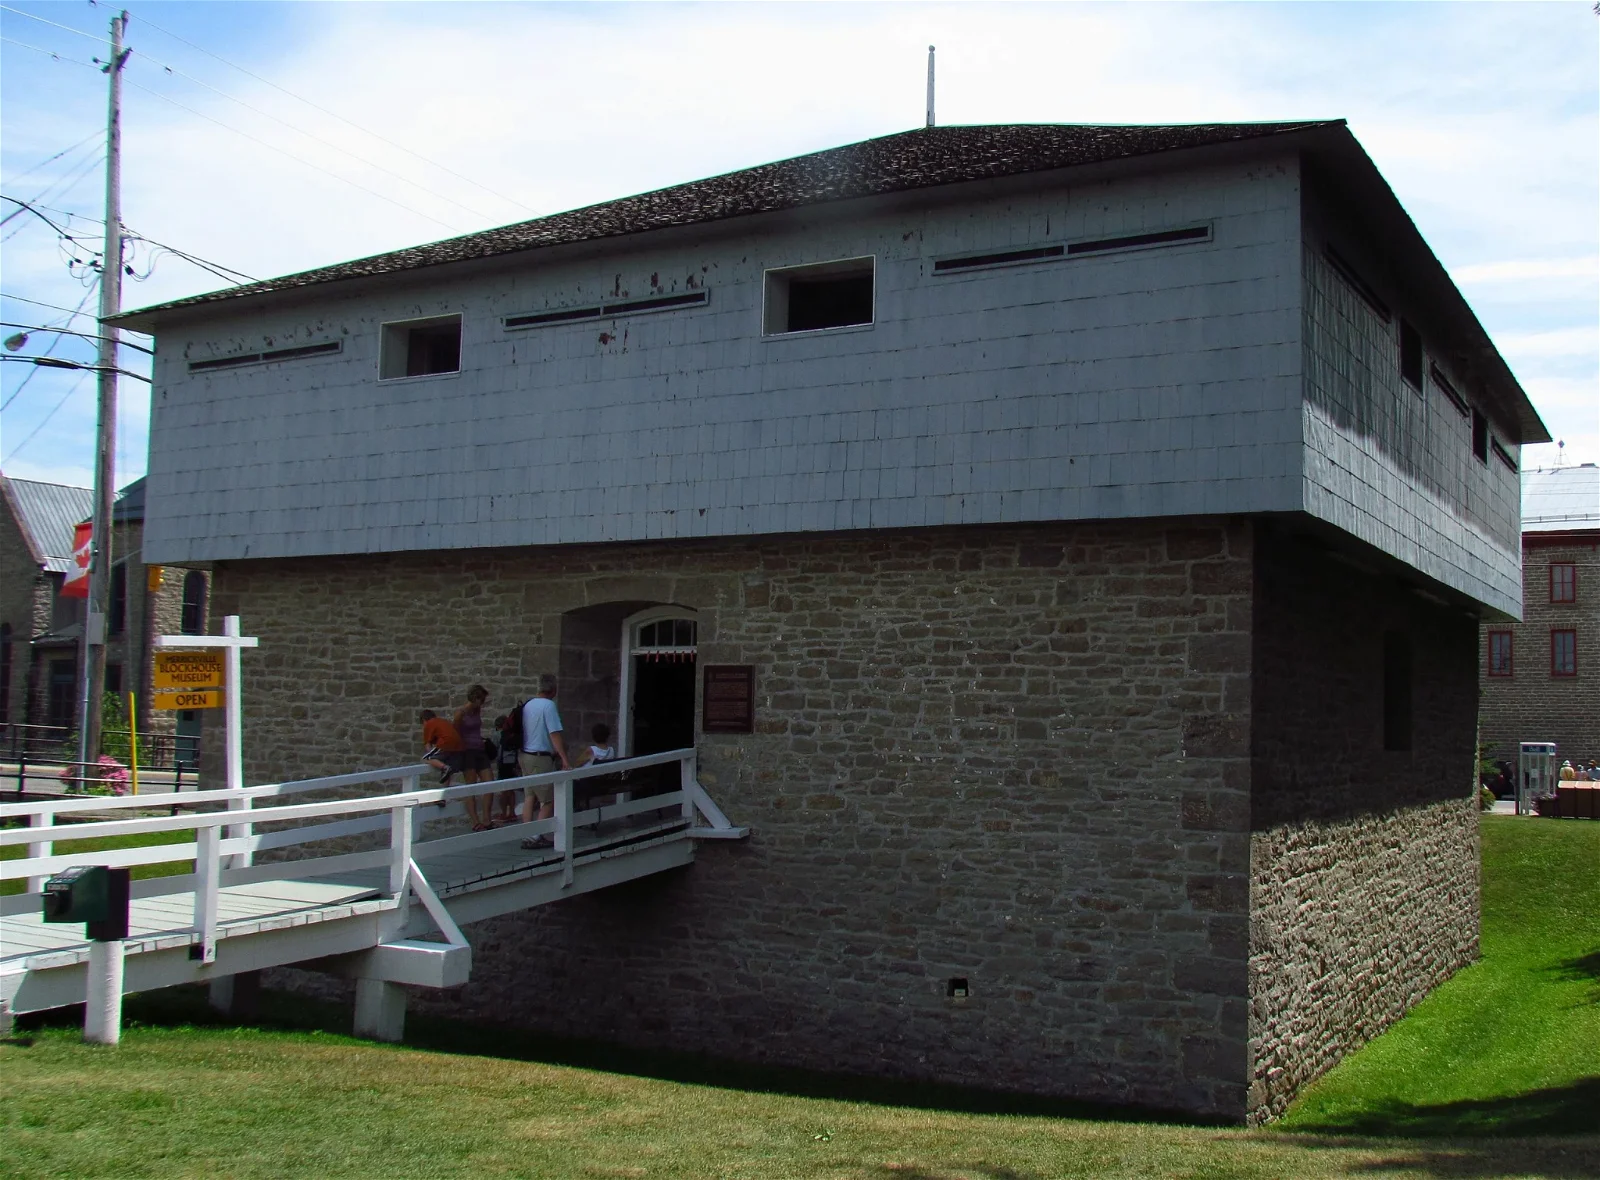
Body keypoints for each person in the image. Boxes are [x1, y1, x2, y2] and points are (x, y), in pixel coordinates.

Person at [519, 673, 569, 847]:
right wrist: (564, 759)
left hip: (525, 755)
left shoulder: (528, 705)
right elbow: (554, 734)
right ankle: (535, 836)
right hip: (540, 757)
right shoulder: (549, 706)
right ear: (553, 689)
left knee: (529, 796)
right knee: (548, 799)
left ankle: (527, 834)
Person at [453, 685, 495, 830]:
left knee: (489, 783)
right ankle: (475, 822)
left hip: (480, 750)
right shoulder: (460, 713)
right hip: (467, 752)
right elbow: (455, 733)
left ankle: (487, 819)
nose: (482, 703)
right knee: (471, 786)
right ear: (475, 698)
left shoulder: (477, 710)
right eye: (481, 700)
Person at [491, 713, 523, 825]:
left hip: (503, 764)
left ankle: (504, 813)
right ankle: (512, 813)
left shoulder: (497, 735)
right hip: (512, 763)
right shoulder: (512, 734)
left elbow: (493, 749)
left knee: (504, 790)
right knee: (511, 790)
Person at [418, 709, 462, 785]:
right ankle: (446, 788)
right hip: (458, 745)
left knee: (425, 758)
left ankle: (445, 768)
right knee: (447, 764)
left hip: (446, 742)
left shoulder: (429, 724)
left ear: (424, 720)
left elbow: (427, 745)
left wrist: (433, 757)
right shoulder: (442, 722)